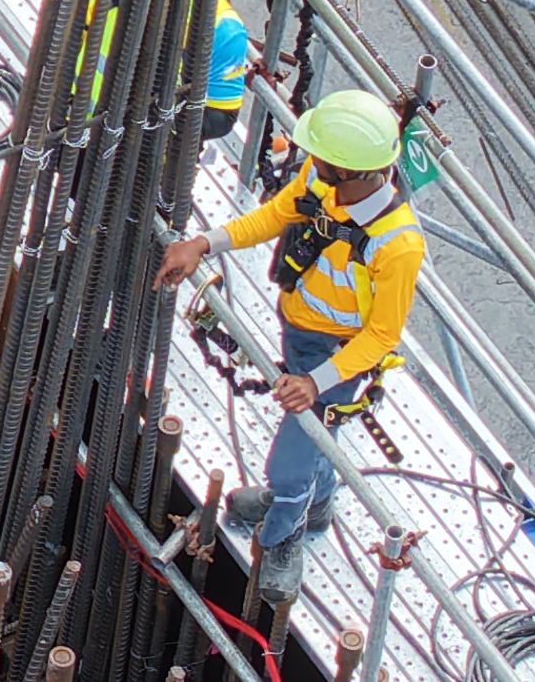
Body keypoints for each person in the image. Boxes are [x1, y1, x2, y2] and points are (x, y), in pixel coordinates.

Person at [156, 87, 423, 614]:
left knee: (289, 464)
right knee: (315, 447)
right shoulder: (321, 184)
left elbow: (382, 337)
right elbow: (274, 217)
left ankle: (282, 535)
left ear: (348, 170)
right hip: (300, 331)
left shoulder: (398, 245)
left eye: (320, 157)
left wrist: (317, 382)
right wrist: (202, 243)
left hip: (340, 358)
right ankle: (315, 506)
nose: (311, 162)